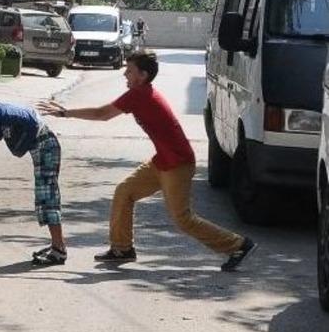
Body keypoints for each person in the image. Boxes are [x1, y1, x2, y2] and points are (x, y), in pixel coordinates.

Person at [37, 50, 256, 272]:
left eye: (129, 71)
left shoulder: (139, 94)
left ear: (142, 75)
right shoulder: (141, 92)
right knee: (125, 191)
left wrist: (65, 113)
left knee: (183, 219)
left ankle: (238, 245)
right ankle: (122, 248)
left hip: (177, 164)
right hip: (162, 160)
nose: (125, 74)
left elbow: (102, 114)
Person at [0, 101, 67, 266]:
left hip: (46, 145)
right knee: (45, 197)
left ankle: (59, 249)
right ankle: (56, 245)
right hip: (45, 144)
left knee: (47, 198)